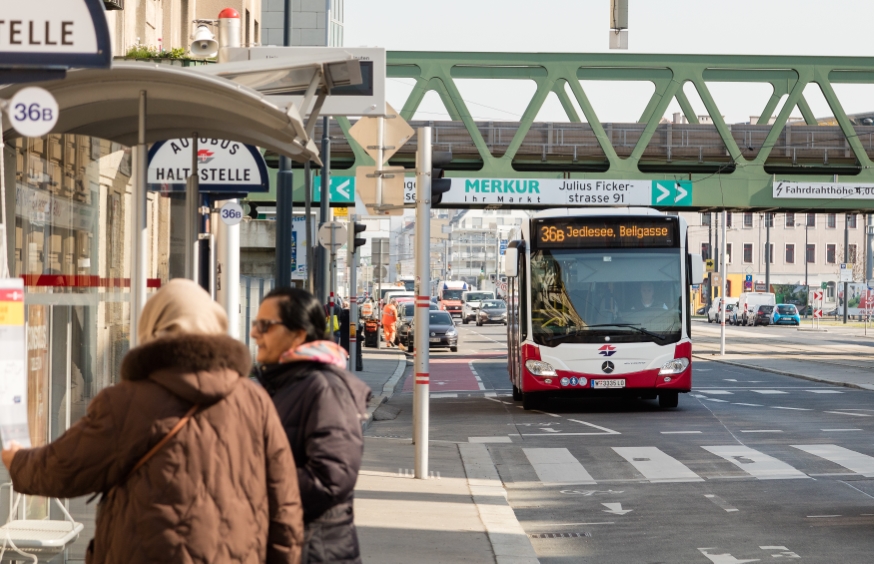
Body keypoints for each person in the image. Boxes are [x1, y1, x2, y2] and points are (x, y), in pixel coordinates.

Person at [1, 279, 304, 564]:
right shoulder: (254, 400)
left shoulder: (126, 402)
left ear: (152, 327)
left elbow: (65, 467)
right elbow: (285, 504)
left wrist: (18, 461)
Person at [251, 288, 372, 564]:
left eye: (265, 326)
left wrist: (250, 479)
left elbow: (331, 480)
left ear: (299, 334)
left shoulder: (324, 388)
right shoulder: (285, 383)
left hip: (314, 550)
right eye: (255, 324)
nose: (254, 334)